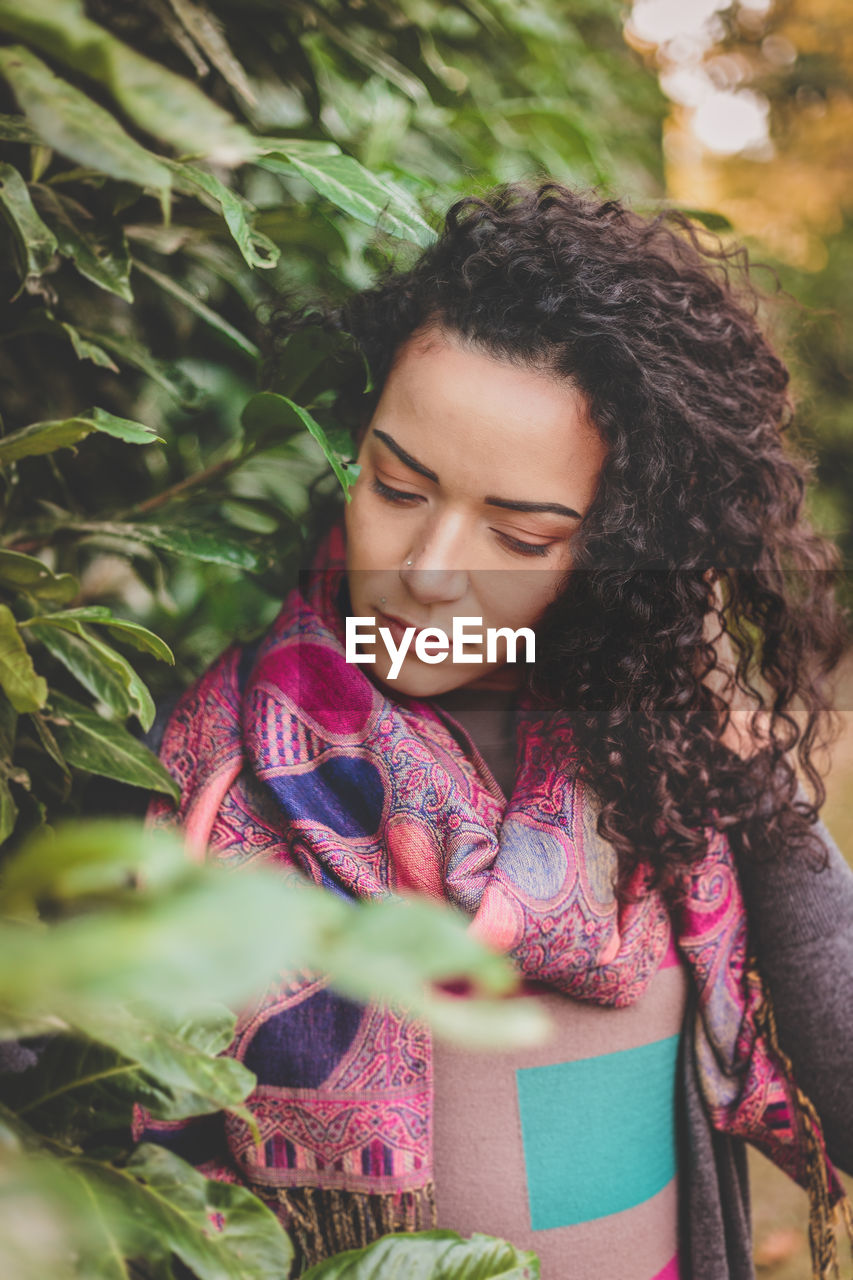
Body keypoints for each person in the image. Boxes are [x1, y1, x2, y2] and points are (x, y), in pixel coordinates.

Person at [144, 183, 853, 1280]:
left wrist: (762, 791)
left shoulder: (675, 761)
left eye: (520, 535)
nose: (428, 573)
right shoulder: (204, 768)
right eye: (394, 485)